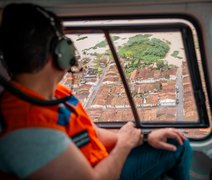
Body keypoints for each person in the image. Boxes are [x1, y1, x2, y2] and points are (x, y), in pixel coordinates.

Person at [0, 3, 192, 180]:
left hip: (102, 160)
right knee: (180, 148)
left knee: (177, 143)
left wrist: (144, 138)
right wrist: (125, 145)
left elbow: (93, 133)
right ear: (61, 52)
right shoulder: (27, 130)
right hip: (102, 172)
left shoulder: (56, 94)